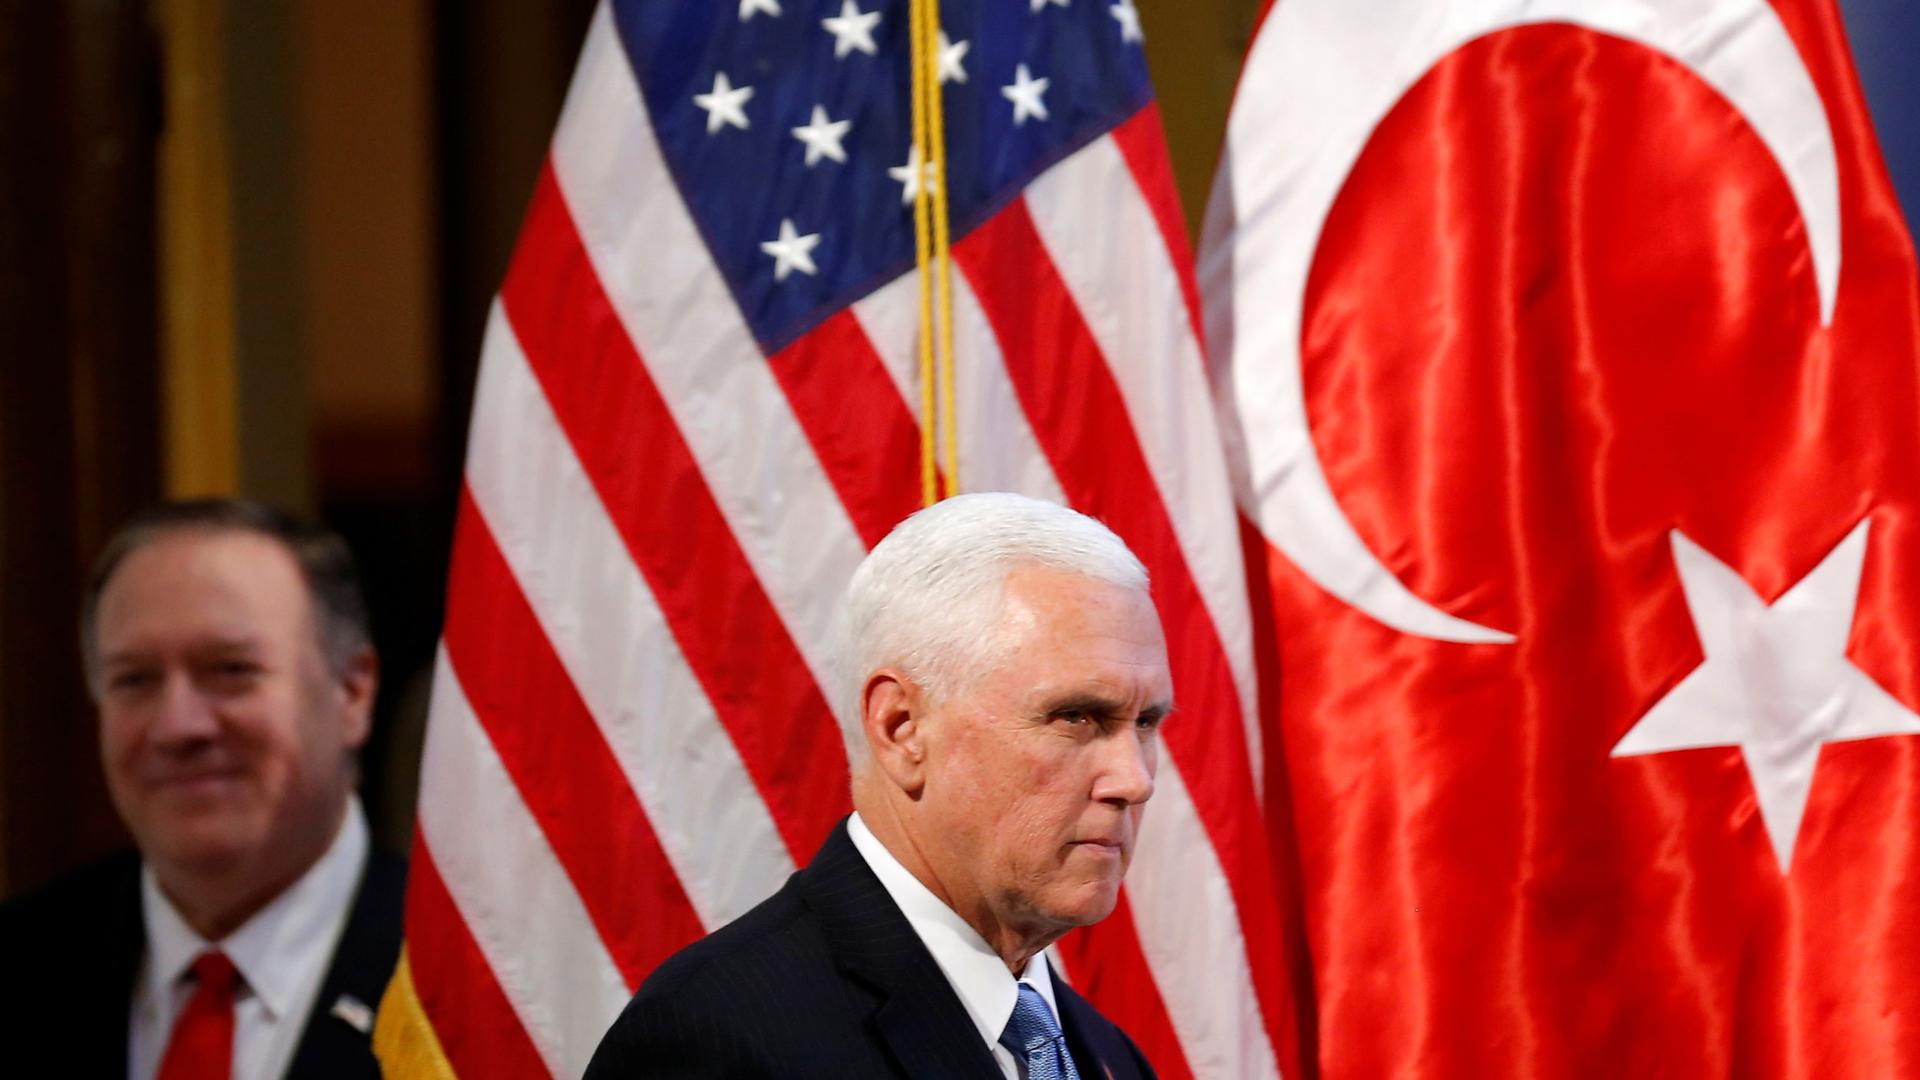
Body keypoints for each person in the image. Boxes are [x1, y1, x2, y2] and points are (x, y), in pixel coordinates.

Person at [588, 492, 1169, 1078]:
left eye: (1146, 723)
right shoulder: (715, 1039)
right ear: (902, 729)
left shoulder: (1106, 1055)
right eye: (1077, 717)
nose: (1135, 780)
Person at [0, 499, 405, 1079]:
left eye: (230, 669)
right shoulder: (25, 968)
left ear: (352, 692)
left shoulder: (468, 990)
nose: (178, 726)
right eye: (135, 679)